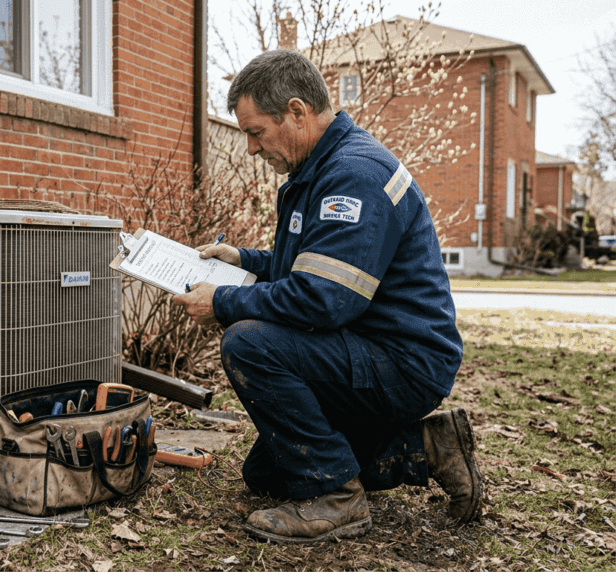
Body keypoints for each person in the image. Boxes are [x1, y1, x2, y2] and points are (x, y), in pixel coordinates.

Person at [172, 50, 481, 544]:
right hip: (367, 345)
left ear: (296, 112)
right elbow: (313, 268)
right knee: (268, 476)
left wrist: (224, 302)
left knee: (248, 342)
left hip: (403, 362)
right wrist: (243, 261)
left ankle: (337, 497)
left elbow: (324, 300)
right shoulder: (321, 168)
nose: (251, 149)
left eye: (255, 133)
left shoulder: (354, 175)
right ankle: (428, 447)